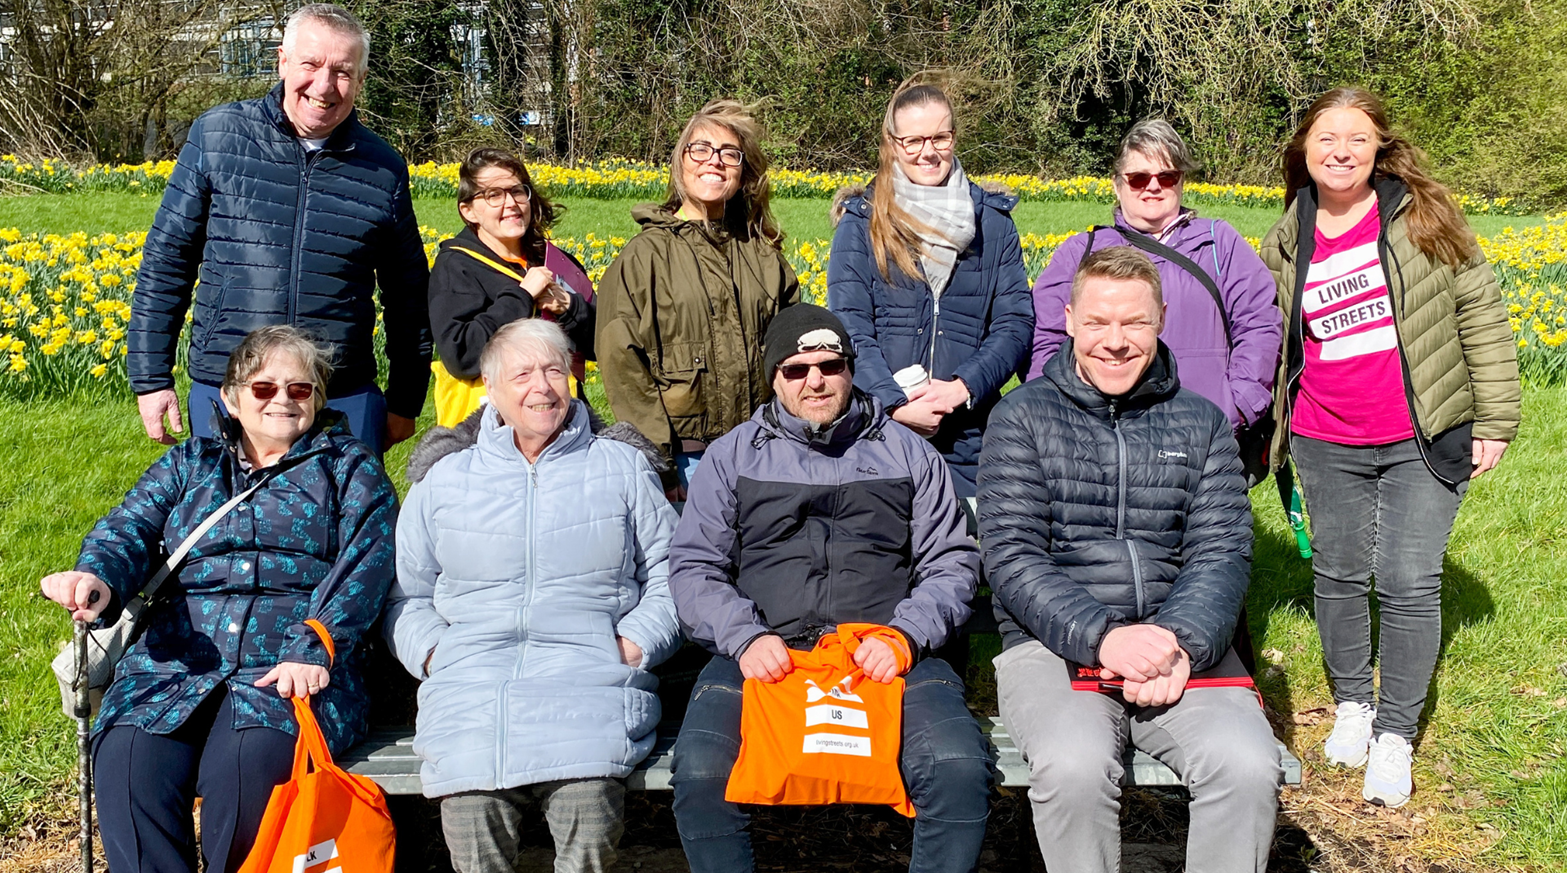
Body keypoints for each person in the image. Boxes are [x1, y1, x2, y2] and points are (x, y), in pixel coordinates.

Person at [40, 325, 398, 873]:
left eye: (300, 389)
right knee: (130, 757)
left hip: (289, 669)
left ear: (318, 399)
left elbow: (367, 565)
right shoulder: (191, 464)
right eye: (263, 388)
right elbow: (129, 528)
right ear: (231, 398)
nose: (282, 399)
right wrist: (97, 577)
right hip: (174, 667)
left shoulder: (350, 469)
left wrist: (316, 641)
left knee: (246, 765)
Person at [980, 247, 1282, 873]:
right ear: (1068, 320)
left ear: (1162, 320)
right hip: (1052, 645)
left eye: (1134, 324)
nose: (1114, 342)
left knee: (1248, 765)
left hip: (1178, 650)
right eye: (1097, 323)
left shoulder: (1201, 424)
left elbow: (1221, 552)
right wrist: (1106, 637)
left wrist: (1181, 642)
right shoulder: (1022, 417)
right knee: (1074, 767)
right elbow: (1010, 556)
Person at [1259, 87, 1521, 807]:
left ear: (1379, 147)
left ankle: (1396, 732)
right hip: (1323, 434)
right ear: (1303, 150)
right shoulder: (1287, 234)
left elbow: (1482, 313)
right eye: (1325, 138)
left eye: (1356, 137)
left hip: (1421, 433)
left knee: (1408, 579)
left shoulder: (1424, 216)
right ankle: (1352, 704)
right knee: (1339, 573)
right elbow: (1273, 340)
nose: (1339, 150)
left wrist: (1495, 419)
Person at [667, 304, 995, 873]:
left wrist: (905, 637)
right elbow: (695, 566)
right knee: (701, 772)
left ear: (850, 368)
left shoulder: (907, 451)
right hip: (765, 652)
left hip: (888, 652)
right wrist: (744, 638)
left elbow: (951, 561)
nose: (815, 380)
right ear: (773, 376)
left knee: (957, 767)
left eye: (830, 364)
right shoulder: (732, 456)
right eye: (796, 369)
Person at [384, 318, 683, 873]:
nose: (541, 387)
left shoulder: (620, 467)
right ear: (491, 390)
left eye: (553, 370)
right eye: (522, 374)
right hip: (472, 692)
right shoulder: (446, 478)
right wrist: (433, 653)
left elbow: (671, 572)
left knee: (588, 810)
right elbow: (407, 594)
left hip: (589, 684)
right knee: (472, 818)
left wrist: (635, 644)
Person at [129, 3, 432, 454]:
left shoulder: (383, 167)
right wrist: (152, 378)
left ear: (361, 81)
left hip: (339, 394)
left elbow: (408, 293)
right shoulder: (218, 136)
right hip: (231, 387)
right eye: (310, 64)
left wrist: (405, 400)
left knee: (343, 523)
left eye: (343, 72)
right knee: (228, 521)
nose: (324, 86)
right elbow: (167, 261)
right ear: (282, 62)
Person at [1028, 120, 1281, 464]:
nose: (1153, 187)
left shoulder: (1219, 244)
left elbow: (1259, 326)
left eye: (1167, 177)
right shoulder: (1081, 252)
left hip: (1201, 433)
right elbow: (1047, 340)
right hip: (1100, 441)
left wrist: (1236, 406)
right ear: (1118, 185)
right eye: (1138, 178)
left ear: (1181, 182)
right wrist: (1056, 416)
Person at [828, 80, 1033, 499]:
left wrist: (964, 387)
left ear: (954, 137)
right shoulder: (863, 222)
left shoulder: (991, 223)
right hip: (879, 431)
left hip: (969, 436)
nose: (928, 151)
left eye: (940, 137)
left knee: (966, 553)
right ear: (892, 143)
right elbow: (849, 326)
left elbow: (1014, 323)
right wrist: (895, 405)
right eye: (914, 140)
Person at [595, 98, 800, 500]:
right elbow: (622, 364)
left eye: (730, 154)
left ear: (744, 173)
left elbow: (790, 350)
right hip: (688, 459)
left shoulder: (763, 257)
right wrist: (659, 460)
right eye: (701, 149)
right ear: (680, 162)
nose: (715, 161)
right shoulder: (645, 256)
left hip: (762, 450)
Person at [428, 147, 596, 427]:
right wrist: (522, 296)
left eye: (518, 191)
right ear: (468, 211)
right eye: (494, 195)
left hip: (564, 419)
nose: (511, 204)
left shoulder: (553, 260)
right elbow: (462, 355)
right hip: (495, 429)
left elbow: (602, 345)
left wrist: (569, 307)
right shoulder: (456, 267)